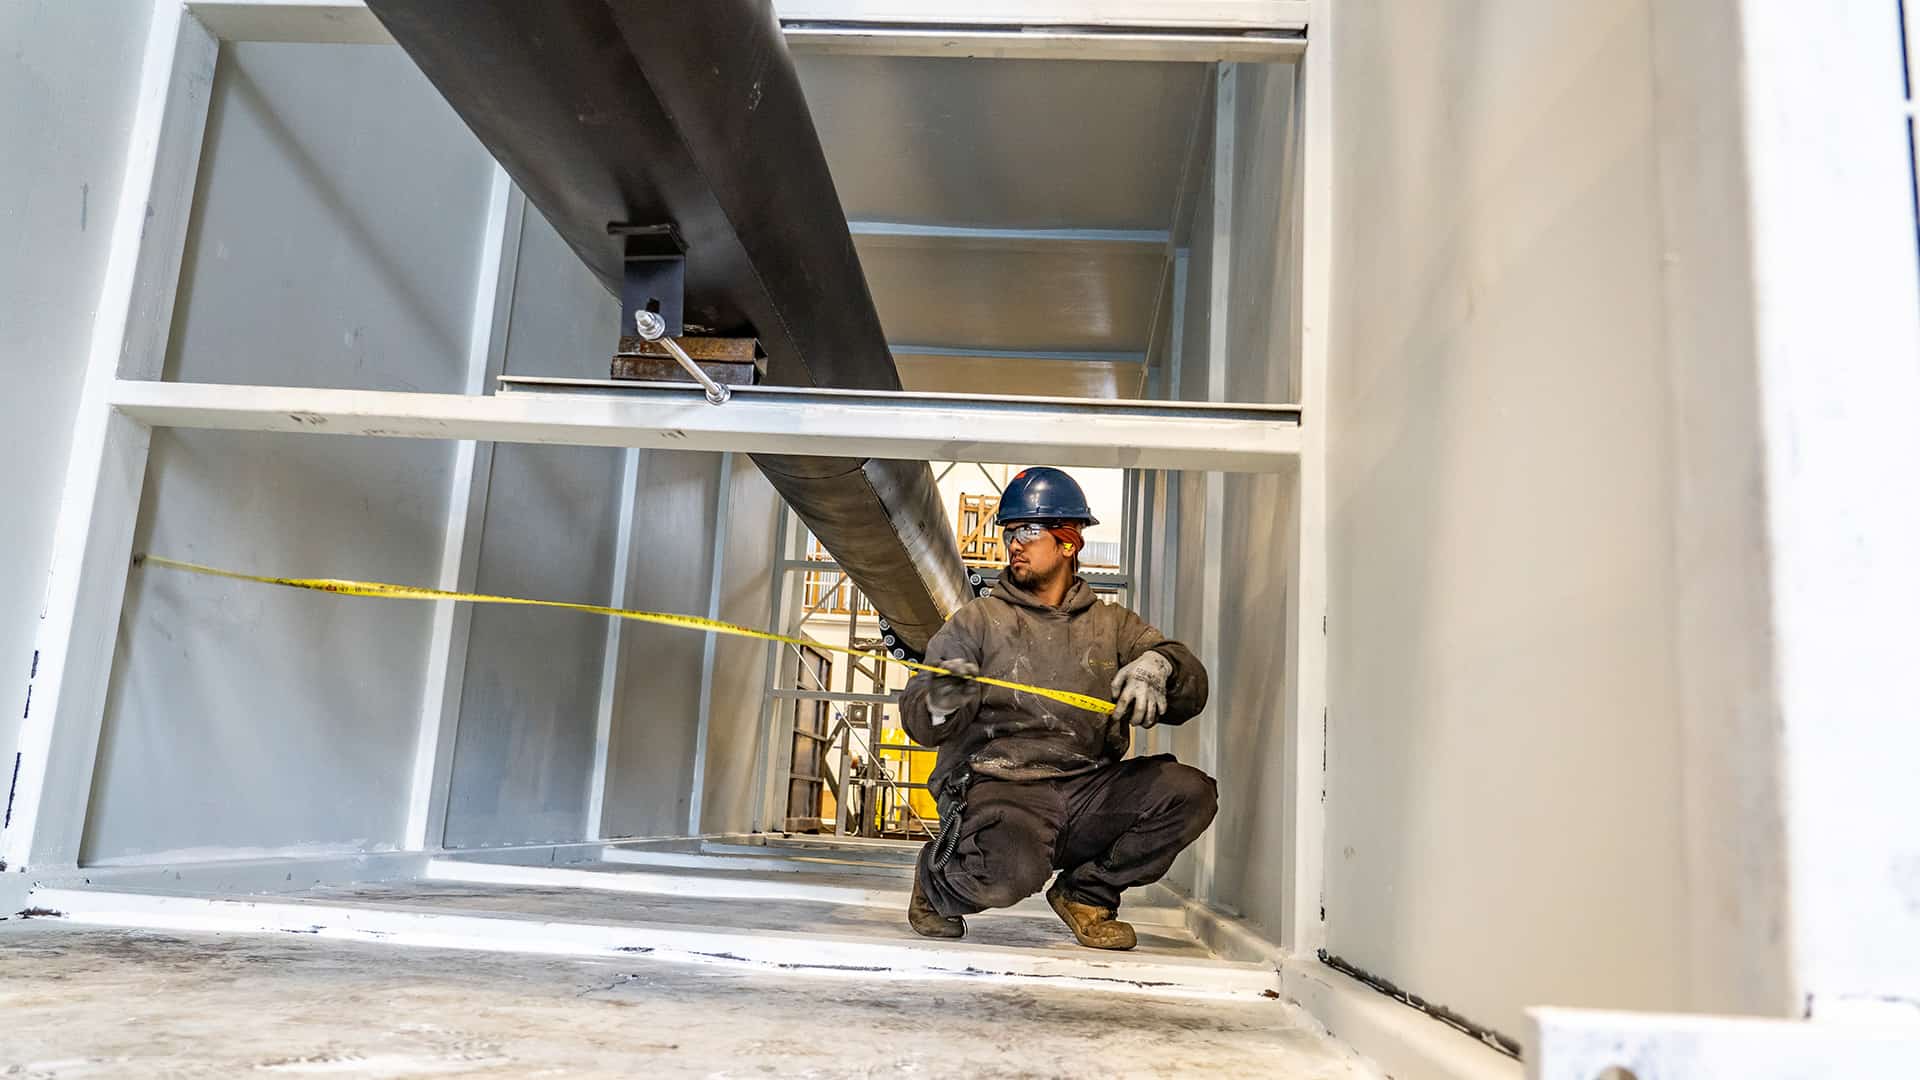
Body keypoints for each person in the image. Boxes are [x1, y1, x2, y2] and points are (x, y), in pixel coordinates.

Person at [899, 467, 1215, 950]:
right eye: (1010, 533)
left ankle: (1086, 894)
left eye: (1028, 531)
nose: (1014, 545)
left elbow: (1188, 686)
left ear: (1069, 542)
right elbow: (921, 719)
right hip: (1001, 788)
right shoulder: (978, 623)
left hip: (1087, 789)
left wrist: (1161, 665)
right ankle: (936, 884)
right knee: (1011, 869)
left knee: (1188, 792)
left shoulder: (1112, 625)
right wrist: (942, 695)